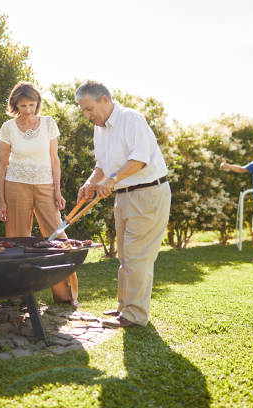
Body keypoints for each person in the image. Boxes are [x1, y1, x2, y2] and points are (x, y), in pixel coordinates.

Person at [75, 80, 171, 328]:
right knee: (126, 256)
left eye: (89, 109)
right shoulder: (100, 128)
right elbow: (102, 166)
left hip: (148, 193)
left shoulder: (132, 119)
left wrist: (112, 179)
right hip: (124, 195)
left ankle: (135, 315)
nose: (87, 115)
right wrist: (90, 183)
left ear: (105, 100)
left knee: (138, 256)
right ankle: (125, 307)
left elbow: (139, 159)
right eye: (83, 110)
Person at [0, 81, 79, 307]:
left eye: (32, 104)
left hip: (45, 186)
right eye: (23, 105)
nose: (28, 110)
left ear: (37, 103)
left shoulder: (49, 124)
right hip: (15, 185)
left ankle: (67, 296)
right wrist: (1, 200)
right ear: (15, 105)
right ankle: (16, 295)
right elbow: (2, 165)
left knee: (57, 238)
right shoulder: (8, 128)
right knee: (16, 240)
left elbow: (54, 159)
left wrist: (57, 190)